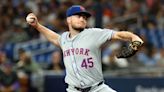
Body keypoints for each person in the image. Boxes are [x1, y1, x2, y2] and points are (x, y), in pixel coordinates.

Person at [26, 5, 143, 92]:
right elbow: (54, 38)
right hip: (73, 90)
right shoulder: (64, 39)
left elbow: (118, 34)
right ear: (68, 20)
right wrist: (37, 25)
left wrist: (133, 37)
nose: (82, 19)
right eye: (78, 16)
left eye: (84, 17)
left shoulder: (94, 33)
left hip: (97, 89)